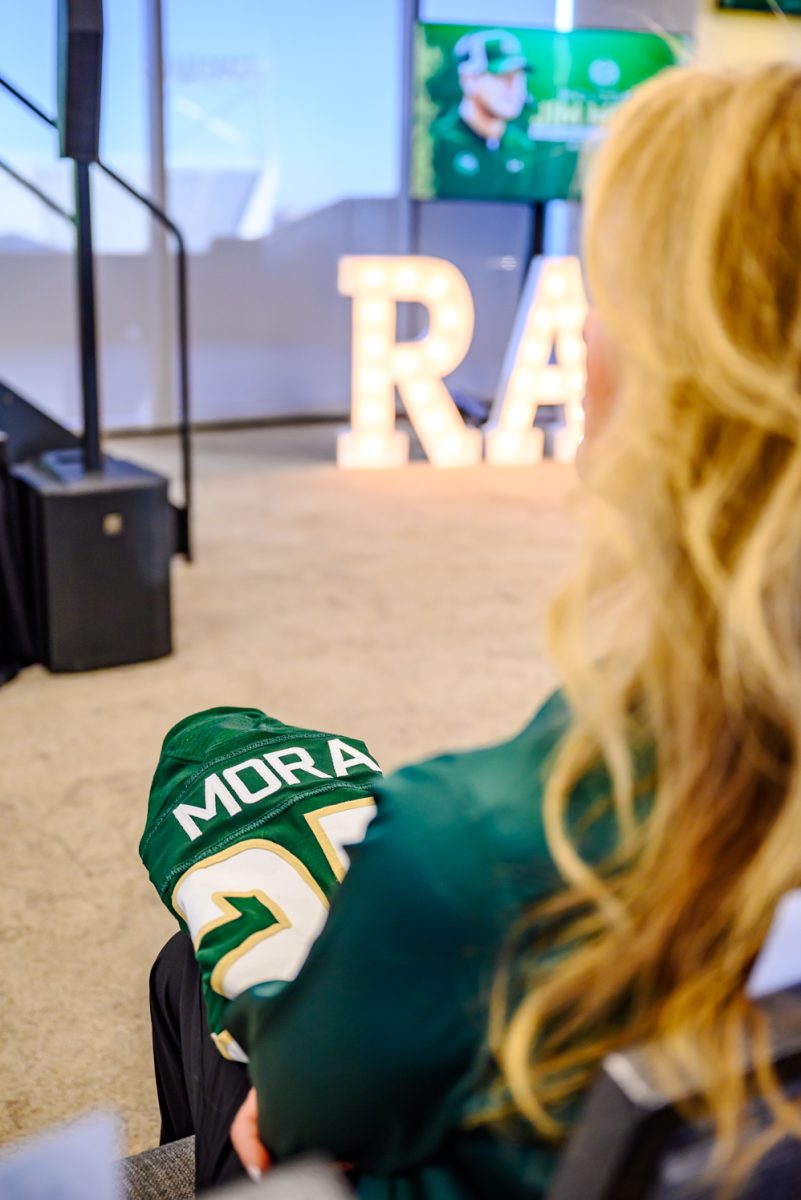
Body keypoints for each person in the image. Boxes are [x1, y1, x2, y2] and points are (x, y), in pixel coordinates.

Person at [149, 62, 801, 1197]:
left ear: (688, 379)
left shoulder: (468, 842)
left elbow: (294, 1118)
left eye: (612, 289)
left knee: (191, 969)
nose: (585, 329)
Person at [430, 29, 538, 200]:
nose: (514, 86)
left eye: (519, 75)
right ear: (468, 79)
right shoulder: (436, 143)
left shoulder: (521, 148)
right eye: (502, 75)